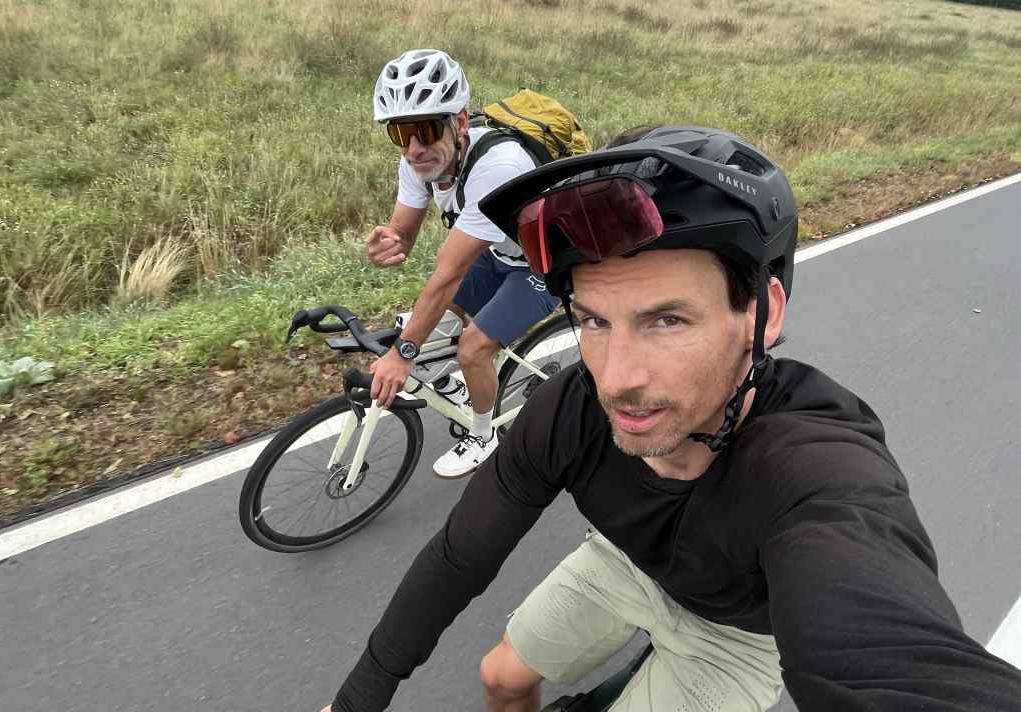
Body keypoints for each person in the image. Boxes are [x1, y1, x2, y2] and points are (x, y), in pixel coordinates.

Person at [323, 126, 1021, 711]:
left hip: (739, 636)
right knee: (500, 679)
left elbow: (889, 655)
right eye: (594, 320)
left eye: (668, 320)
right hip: (627, 563)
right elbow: (458, 558)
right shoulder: (569, 407)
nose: (618, 379)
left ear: (764, 314)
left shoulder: (814, 462)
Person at [366, 48, 560, 479]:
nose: (414, 149)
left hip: (541, 266)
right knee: (422, 322)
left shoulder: (499, 166)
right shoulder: (416, 161)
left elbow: (448, 272)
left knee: (472, 348)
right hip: (498, 252)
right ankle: (456, 383)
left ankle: (483, 433)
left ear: (458, 122)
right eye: (400, 134)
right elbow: (404, 235)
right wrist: (387, 246)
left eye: (426, 130)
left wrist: (403, 356)